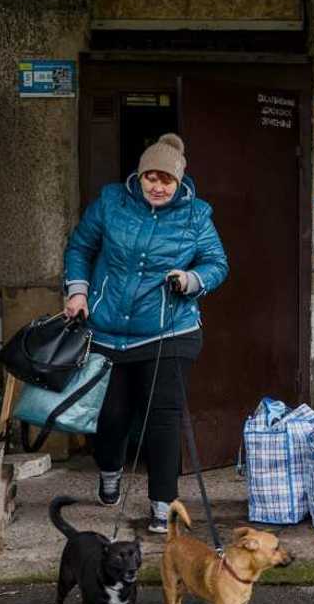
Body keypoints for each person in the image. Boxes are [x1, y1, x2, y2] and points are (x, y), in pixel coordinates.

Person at [62, 133, 228, 533]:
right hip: (107, 330)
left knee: (163, 419)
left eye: (166, 180)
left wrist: (190, 279)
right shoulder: (111, 203)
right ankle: (109, 474)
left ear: (178, 182)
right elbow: (80, 248)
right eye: (150, 177)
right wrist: (78, 292)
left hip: (169, 330)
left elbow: (216, 263)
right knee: (113, 413)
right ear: (139, 176)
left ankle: (161, 505)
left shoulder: (196, 215)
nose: (157, 186)